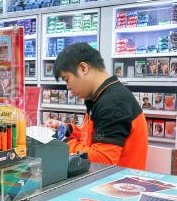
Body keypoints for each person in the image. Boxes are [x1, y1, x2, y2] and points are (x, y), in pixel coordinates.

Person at [47, 42, 148, 170]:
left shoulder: (113, 103)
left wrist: (62, 144)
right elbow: (94, 137)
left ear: (83, 68)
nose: (68, 87)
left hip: (117, 184)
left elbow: (102, 160)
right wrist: (68, 130)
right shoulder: (102, 96)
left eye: (67, 79)